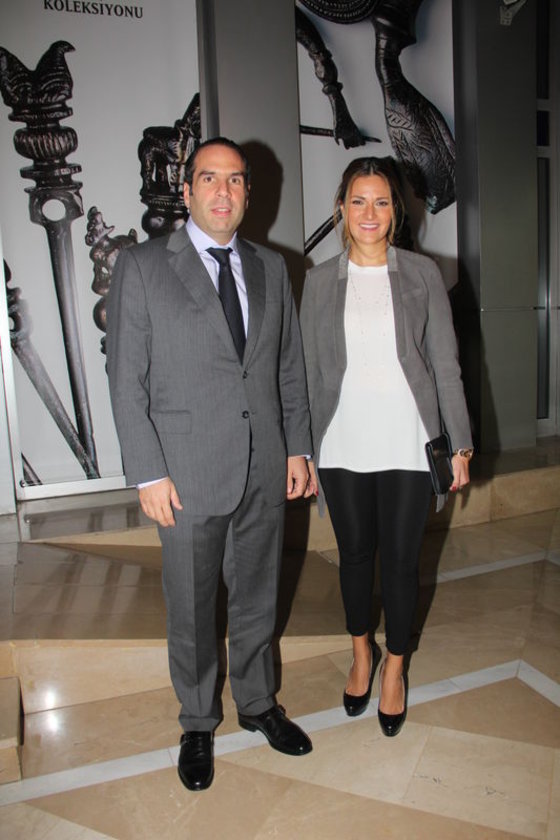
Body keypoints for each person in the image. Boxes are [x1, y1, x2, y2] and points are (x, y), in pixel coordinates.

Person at [106, 137, 314, 792]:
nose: (223, 191)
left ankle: (257, 703)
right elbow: (126, 380)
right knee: (193, 607)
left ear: (248, 191)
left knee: (257, 595)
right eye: (209, 178)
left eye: (235, 180)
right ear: (187, 189)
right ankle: (197, 721)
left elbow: (287, 368)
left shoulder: (272, 267)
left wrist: (298, 447)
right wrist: (147, 472)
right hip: (185, 470)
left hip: (264, 464)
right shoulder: (143, 265)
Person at [300, 156, 473, 737]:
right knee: (353, 556)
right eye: (358, 201)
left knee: (400, 561)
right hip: (342, 440)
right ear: (341, 209)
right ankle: (361, 654)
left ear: (395, 210)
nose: (369, 213)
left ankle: (395, 667)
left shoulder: (423, 273)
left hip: (407, 439)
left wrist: (460, 443)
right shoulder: (318, 281)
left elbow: (446, 364)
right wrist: (302, 449)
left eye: (380, 201)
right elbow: (306, 372)